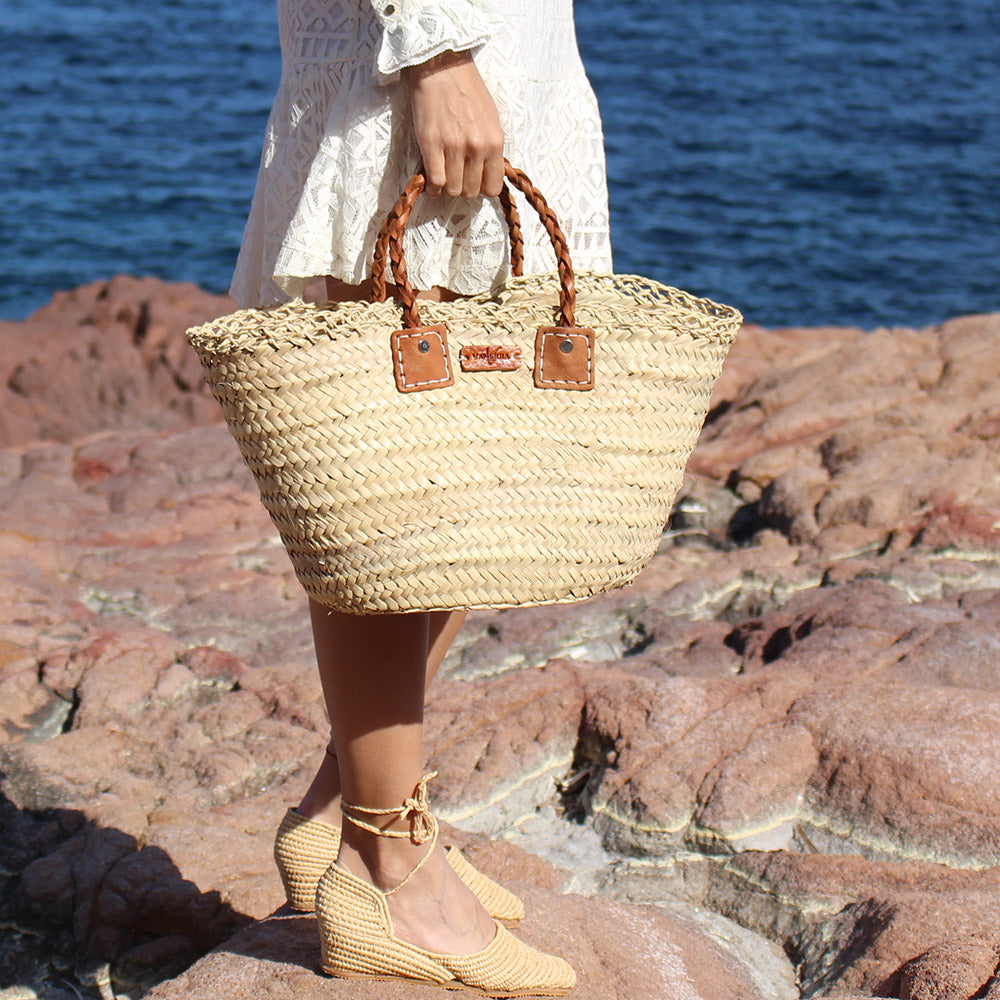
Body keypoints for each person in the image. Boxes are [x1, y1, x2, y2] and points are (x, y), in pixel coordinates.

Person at [228, 0, 613, 993]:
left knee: (461, 484)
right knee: (395, 496)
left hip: (503, 54)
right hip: (421, 62)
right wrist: (433, 47)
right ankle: (386, 860)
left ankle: (341, 812)